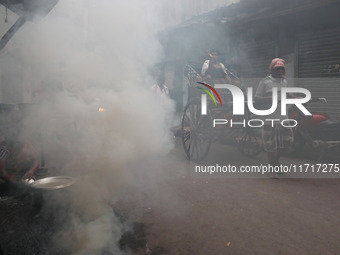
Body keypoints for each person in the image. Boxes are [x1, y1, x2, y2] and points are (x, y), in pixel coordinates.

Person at [255, 58, 294, 171]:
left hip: (283, 117)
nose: (280, 71)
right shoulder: (265, 82)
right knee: (270, 144)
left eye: (282, 69)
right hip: (269, 118)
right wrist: (270, 99)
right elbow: (257, 98)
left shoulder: (284, 82)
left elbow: (286, 92)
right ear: (272, 69)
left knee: (288, 141)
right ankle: (273, 167)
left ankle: (275, 161)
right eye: (278, 69)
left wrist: (296, 98)